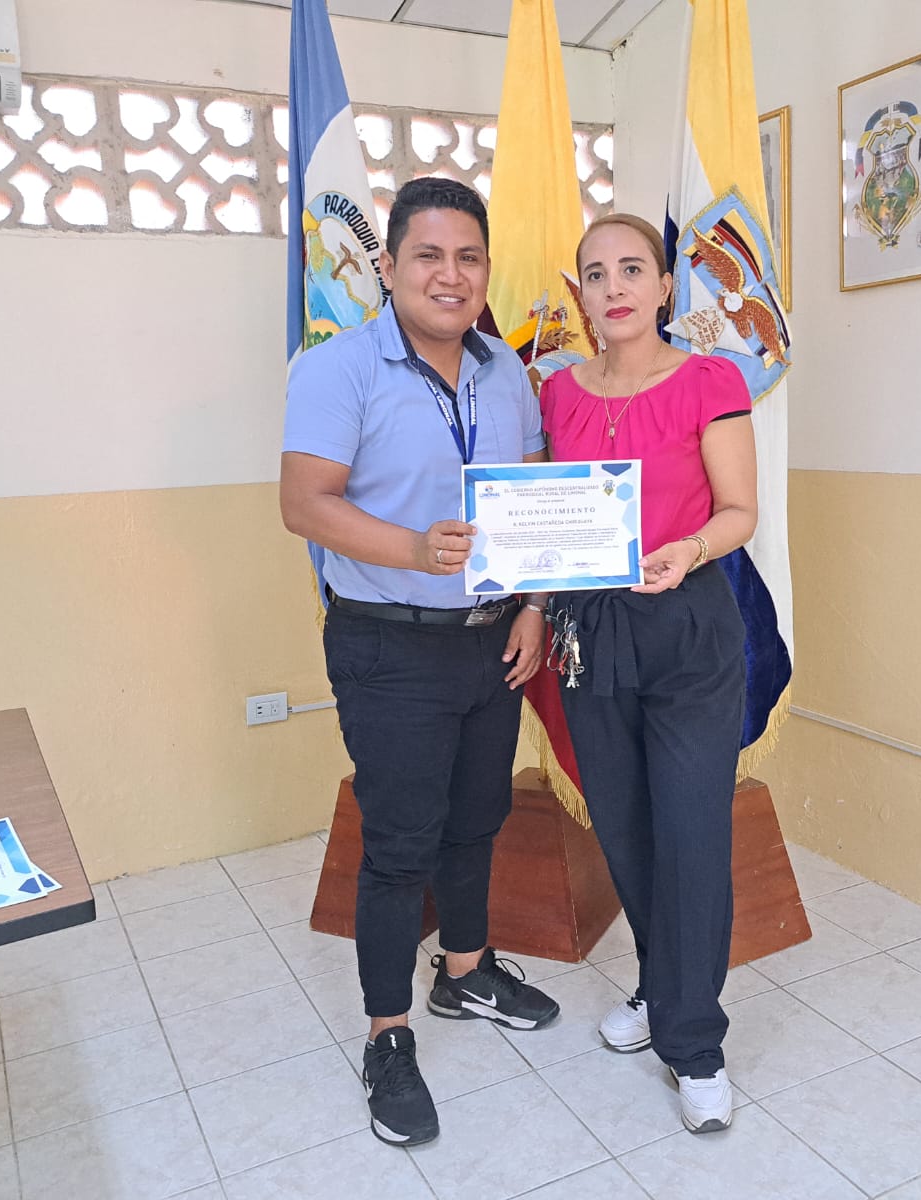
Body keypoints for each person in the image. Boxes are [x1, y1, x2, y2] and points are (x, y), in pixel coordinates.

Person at [280, 177, 560, 1148]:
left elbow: (534, 496)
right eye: (430, 255)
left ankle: (465, 973)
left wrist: (533, 607)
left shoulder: (505, 369)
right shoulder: (337, 367)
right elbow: (304, 502)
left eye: (469, 257)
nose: (451, 274)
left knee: (478, 819)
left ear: (485, 271)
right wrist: (412, 548)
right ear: (390, 267)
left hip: (493, 637)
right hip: (387, 640)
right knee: (401, 842)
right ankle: (387, 1034)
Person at [537, 212, 756, 1133]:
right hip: (591, 632)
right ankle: (660, 985)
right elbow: (544, 516)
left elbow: (740, 510)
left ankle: (694, 1043)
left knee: (691, 831)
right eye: (596, 273)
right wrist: (531, 602)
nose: (615, 286)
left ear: (666, 286)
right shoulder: (555, 393)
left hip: (687, 625)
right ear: (581, 294)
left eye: (633, 269)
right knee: (625, 827)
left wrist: (689, 550)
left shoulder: (711, 380)